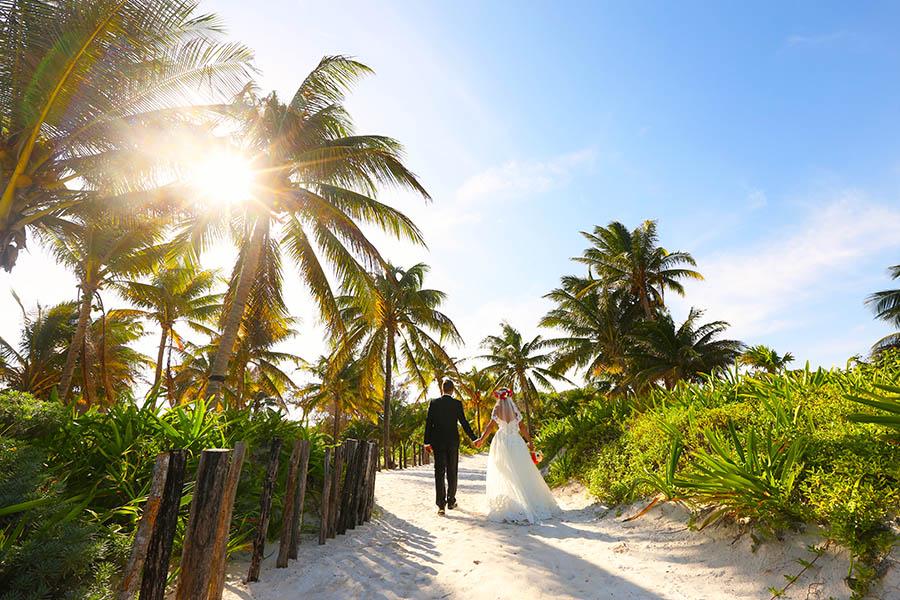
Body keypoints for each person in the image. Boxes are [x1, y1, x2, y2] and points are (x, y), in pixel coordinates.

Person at [474, 388, 559, 523]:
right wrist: (530, 442)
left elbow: (490, 427)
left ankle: (512, 499)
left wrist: (481, 440)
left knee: (504, 472)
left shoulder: (496, 410)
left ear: (499, 397)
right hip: (516, 441)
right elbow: (523, 427)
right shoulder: (515, 410)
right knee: (521, 471)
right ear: (509, 398)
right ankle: (526, 500)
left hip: (502, 442)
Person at [424, 379, 477, 515]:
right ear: (452, 390)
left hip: (437, 442)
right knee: (452, 471)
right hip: (453, 442)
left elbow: (429, 423)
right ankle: (451, 501)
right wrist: (474, 438)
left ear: (442, 389)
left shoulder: (434, 403)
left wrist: (426, 442)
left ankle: (441, 505)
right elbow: (464, 423)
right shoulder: (457, 404)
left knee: (439, 473)